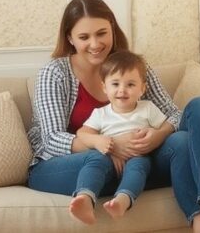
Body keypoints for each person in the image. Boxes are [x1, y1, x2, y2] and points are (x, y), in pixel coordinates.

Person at [27, 0, 200, 233]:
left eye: (101, 33)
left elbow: (174, 114)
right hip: (77, 168)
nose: (95, 44)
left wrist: (158, 136)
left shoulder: (133, 66)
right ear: (70, 38)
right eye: (84, 37)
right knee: (98, 160)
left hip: (137, 166)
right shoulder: (55, 73)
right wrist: (112, 145)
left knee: (196, 116)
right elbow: (51, 139)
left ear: (112, 29)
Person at [69, 50, 172, 224]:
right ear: (105, 87)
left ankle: (122, 200)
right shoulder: (101, 113)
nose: (122, 90)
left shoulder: (148, 108)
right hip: (109, 160)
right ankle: (85, 198)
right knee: (95, 164)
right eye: (115, 84)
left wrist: (156, 135)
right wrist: (98, 141)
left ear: (142, 88)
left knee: (138, 166)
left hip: (138, 157)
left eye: (130, 84)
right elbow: (82, 133)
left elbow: (165, 127)